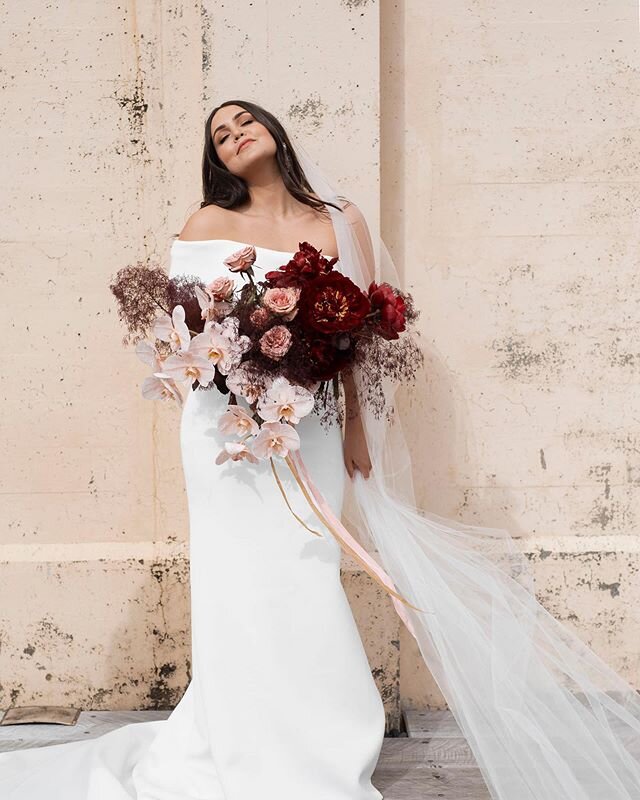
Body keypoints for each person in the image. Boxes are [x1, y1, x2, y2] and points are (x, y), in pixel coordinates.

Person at [0, 100, 388, 800]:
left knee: (305, 571)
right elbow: (187, 332)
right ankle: (240, 740)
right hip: (228, 431)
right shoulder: (208, 224)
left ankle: (318, 740)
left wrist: (354, 421)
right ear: (218, 159)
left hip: (316, 423)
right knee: (239, 583)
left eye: (244, 122)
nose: (236, 134)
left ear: (273, 129)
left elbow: (353, 329)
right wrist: (239, 371)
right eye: (220, 135)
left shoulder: (342, 220)